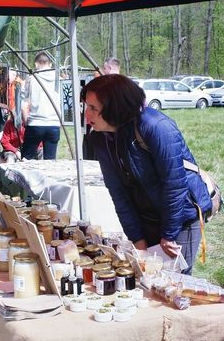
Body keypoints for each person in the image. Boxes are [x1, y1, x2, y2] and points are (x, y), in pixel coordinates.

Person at [82, 74, 212, 275]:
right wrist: (137, 239)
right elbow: (117, 192)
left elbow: (175, 185)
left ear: (115, 107)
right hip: (146, 218)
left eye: (93, 108)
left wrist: (169, 234)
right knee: (145, 278)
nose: (86, 115)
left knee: (174, 283)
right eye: (86, 106)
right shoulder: (99, 138)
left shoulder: (157, 127)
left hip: (179, 218)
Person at [21, 52, 61, 160]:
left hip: (36, 123)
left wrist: (26, 122)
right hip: (54, 123)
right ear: (50, 64)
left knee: (27, 159)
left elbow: (24, 104)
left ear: (36, 64)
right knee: (50, 161)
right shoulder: (60, 79)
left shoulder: (31, 79)